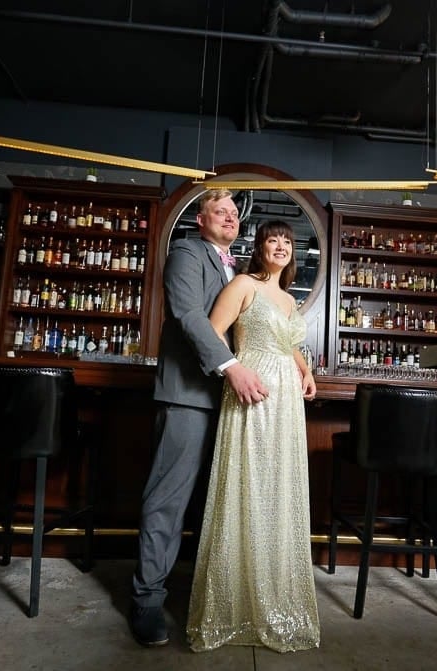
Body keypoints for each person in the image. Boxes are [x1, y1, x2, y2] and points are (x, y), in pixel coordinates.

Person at [129, 189, 268, 647]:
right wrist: (232, 368)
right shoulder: (187, 251)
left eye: (234, 212)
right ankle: (147, 601)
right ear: (200, 217)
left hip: (229, 401)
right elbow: (188, 315)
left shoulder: (240, 267)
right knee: (168, 501)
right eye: (220, 210)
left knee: (220, 504)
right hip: (189, 393)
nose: (230, 217)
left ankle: (205, 597)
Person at [186, 220, 320, 653]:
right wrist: (235, 373)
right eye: (271, 240)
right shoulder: (244, 284)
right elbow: (211, 329)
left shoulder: (288, 298)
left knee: (279, 492)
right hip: (253, 393)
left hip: (287, 405)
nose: (279, 246)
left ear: (292, 252)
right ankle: (235, 603)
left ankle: (273, 596)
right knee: (249, 488)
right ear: (259, 248)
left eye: (286, 241)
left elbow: (287, 342)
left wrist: (306, 369)